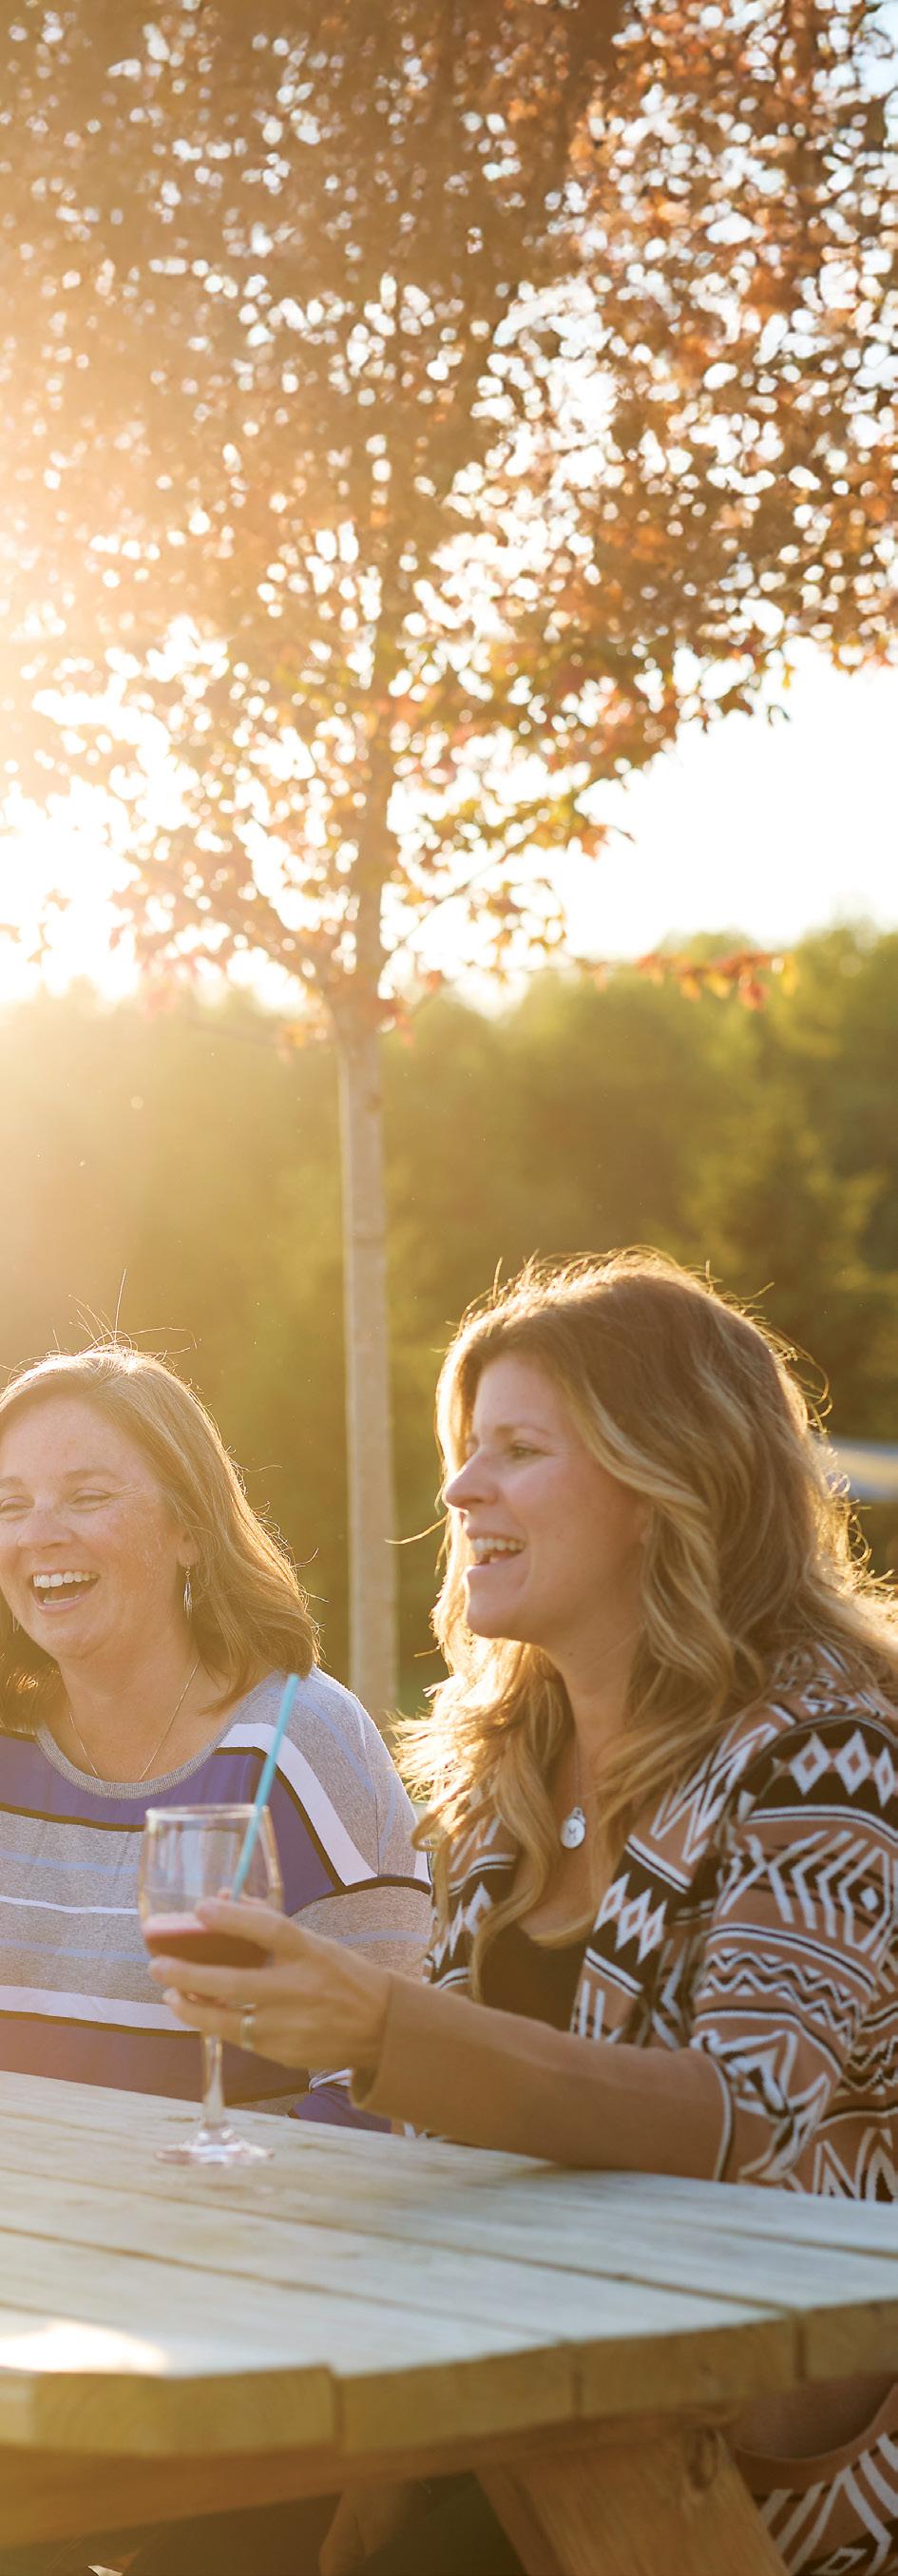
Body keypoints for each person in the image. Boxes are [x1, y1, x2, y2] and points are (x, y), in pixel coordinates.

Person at [153, 1252, 898, 2576]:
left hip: (726, 2430)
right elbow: (452, 2146)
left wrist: (384, 2028)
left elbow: (738, 2117)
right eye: (465, 1450)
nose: (458, 1489)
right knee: (192, 2510)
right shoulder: (506, 1756)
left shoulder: (826, 1748)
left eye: (517, 1449)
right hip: (516, 2368)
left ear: (662, 1484)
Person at [0, 1343, 430, 2125]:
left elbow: (384, 2084)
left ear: (189, 1530)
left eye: (87, 1496)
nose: (40, 1533)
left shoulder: (298, 1742)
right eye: (10, 1505)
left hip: (240, 2203)